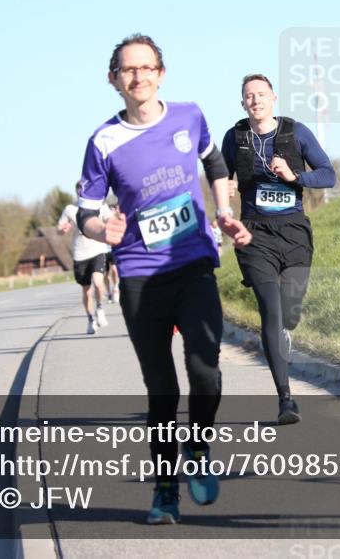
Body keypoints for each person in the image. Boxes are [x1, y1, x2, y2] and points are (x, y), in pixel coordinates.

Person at [75, 33, 251, 525]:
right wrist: (99, 228)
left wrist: (224, 210)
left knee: (205, 369)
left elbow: (213, 161)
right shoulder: (103, 141)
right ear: (114, 80)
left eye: (147, 67)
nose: (139, 76)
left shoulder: (189, 116)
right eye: (128, 70)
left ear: (161, 74)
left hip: (193, 261)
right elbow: (87, 212)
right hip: (137, 275)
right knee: (162, 390)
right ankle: (165, 492)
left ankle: (197, 448)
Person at [221, 74, 336, 424]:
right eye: (248, 96)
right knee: (270, 311)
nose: (255, 100)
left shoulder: (296, 132)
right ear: (243, 104)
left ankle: (289, 321)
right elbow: (220, 177)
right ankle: (285, 399)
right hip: (254, 236)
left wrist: (294, 177)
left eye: (261, 94)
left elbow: (328, 174)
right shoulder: (234, 137)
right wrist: (223, 188)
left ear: (274, 98)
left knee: (289, 313)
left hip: (294, 232)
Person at [57, 182, 111, 335]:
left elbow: (110, 219)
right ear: (77, 192)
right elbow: (59, 228)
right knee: (87, 292)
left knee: (99, 283)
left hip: (98, 250)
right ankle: (90, 319)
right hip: (80, 254)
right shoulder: (70, 209)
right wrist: (62, 229)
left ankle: (100, 308)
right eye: (80, 190)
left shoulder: (101, 205)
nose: (82, 192)